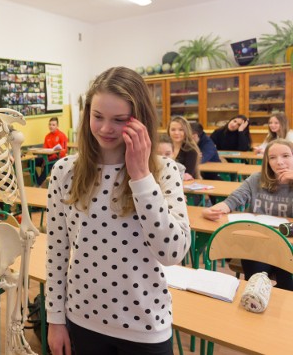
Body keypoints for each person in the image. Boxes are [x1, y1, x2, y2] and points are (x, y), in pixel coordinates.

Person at [45, 67, 191, 355]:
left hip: (145, 326)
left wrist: (140, 176)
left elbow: (172, 253)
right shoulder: (65, 171)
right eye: (97, 116)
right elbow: (56, 251)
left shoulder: (164, 172)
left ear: (140, 121)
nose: (105, 128)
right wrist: (54, 319)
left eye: (119, 120)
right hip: (83, 319)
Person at [202, 139, 293, 290]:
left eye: (285, 156)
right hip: (257, 245)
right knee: (255, 284)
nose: (279, 162)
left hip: (288, 247)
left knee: (287, 285)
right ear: (267, 161)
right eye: (272, 157)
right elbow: (232, 200)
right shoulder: (256, 180)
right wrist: (212, 210)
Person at [35, 116, 68, 186]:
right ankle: (37, 181)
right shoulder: (47, 136)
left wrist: (49, 158)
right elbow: (44, 149)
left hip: (58, 159)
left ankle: (37, 184)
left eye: (53, 125)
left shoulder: (62, 135)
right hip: (47, 158)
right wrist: (44, 159)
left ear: (57, 126)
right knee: (31, 162)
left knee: (48, 164)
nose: (51, 126)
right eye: (50, 124)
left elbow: (63, 151)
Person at [168, 116, 201, 180]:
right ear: (168, 131)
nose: (176, 133)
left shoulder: (191, 150)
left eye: (181, 130)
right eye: (173, 129)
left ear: (186, 131)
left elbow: (187, 175)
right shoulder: (164, 147)